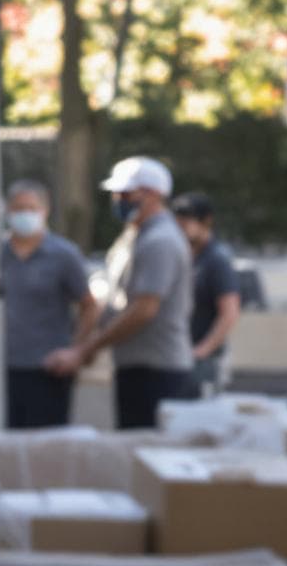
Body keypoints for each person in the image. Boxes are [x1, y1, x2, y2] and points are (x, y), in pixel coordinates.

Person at [46, 157, 195, 428]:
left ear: (153, 195)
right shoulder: (135, 237)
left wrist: (86, 349)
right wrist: (83, 343)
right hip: (138, 367)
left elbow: (143, 310)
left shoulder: (160, 240)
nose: (118, 199)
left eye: (126, 194)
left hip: (156, 371)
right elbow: (112, 297)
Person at [0, 180, 99, 429]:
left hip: (48, 368)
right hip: (2, 368)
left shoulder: (63, 254)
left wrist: (76, 350)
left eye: (31, 208)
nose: (24, 214)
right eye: (18, 208)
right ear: (8, 211)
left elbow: (89, 305)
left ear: (45, 210)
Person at [174, 193, 243, 395]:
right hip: (180, 355)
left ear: (206, 221)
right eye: (178, 220)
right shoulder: (185, 257)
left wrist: (202, 351)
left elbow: (229, 312)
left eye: (188, 220)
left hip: (203, 361)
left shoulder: (216, 260)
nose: (182, 225)